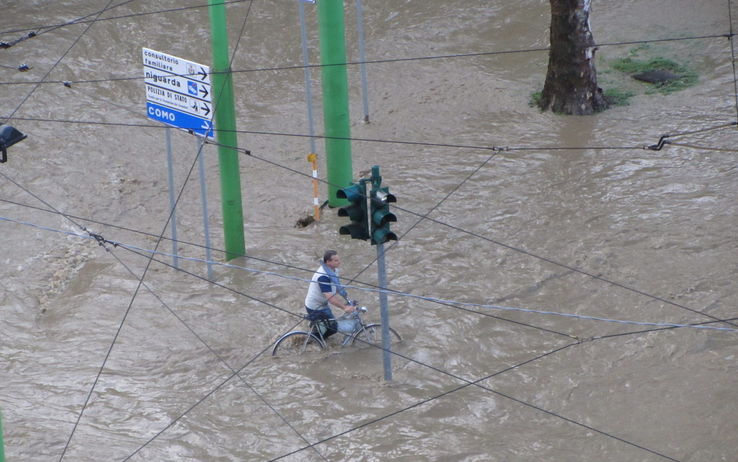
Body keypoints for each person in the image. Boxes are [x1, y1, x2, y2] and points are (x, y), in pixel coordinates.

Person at [304, 250, 356, 340]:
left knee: (329, 323)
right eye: (336, 260)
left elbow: (337, 286)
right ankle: (314, 340)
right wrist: (345, 308)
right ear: (328, 262)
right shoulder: (323, 276)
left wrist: (348, 300)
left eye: (338, 260)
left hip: (321, 304)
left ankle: (317, 331)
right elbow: (330, 297)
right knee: (333, 328)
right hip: (315, 307)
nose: (339, 262)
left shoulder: (333, 270)